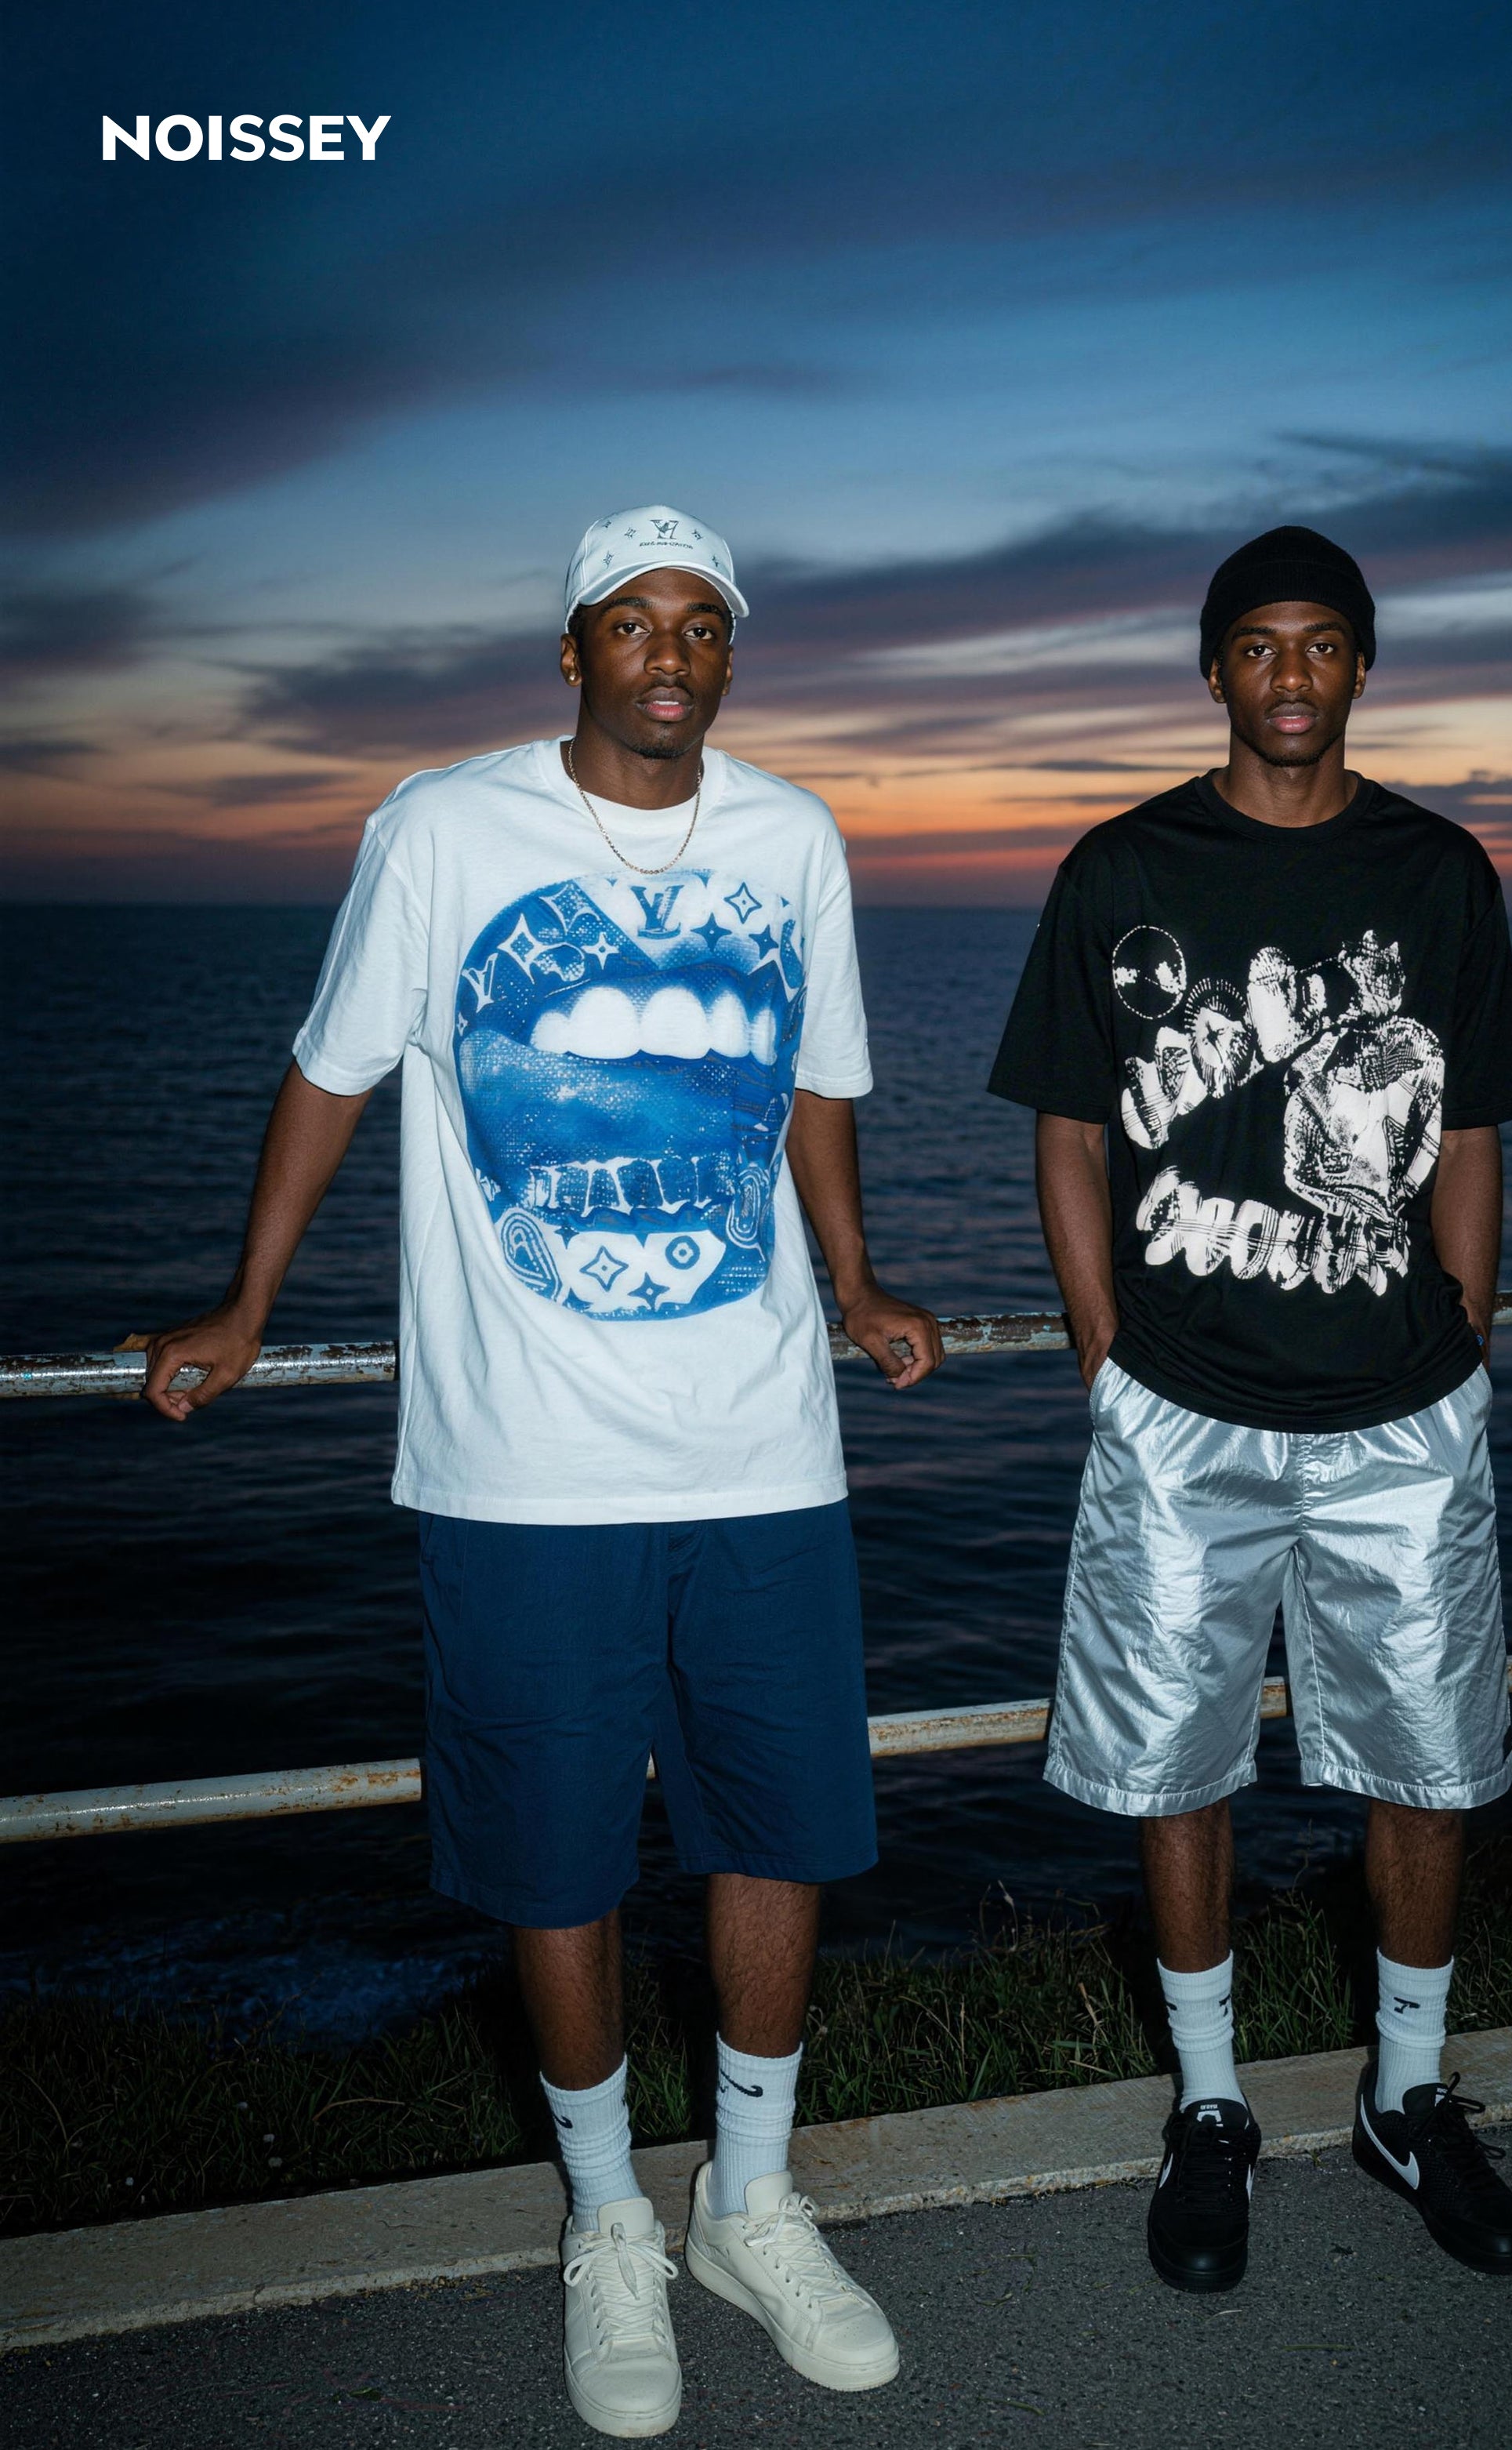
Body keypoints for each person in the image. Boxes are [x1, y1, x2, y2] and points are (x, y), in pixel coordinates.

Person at [142, 505, 941, 2437]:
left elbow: (818, 1084)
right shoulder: (441, 830)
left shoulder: (792, 839)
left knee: (773, 1824)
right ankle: (604, 2219)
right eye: (630, 622)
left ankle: (750, 2198)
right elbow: (334, 1068)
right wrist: (247, 1304)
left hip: (762, 1444)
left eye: (701, 625)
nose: (670, 653)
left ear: (727, 656)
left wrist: (849, 1277)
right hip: (520, 1464)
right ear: (571, 649)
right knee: (554, 1849)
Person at [988, 525, 1512, 2293]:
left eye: (1321, 644)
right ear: (1214, 669)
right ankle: (1211, 2104)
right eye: (1258, 645)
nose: (1290, 675)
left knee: (1430, 1763)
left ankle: (1404, 2093)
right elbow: (1068, 1126)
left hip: (1398, 1406)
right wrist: (1101, 1345)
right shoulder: (1119, 868)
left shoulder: (1438, 872)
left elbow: (1465, 1125)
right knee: (1176, 1765)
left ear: (1361, 667)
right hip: (1182, 1409)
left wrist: (1456, 1329)